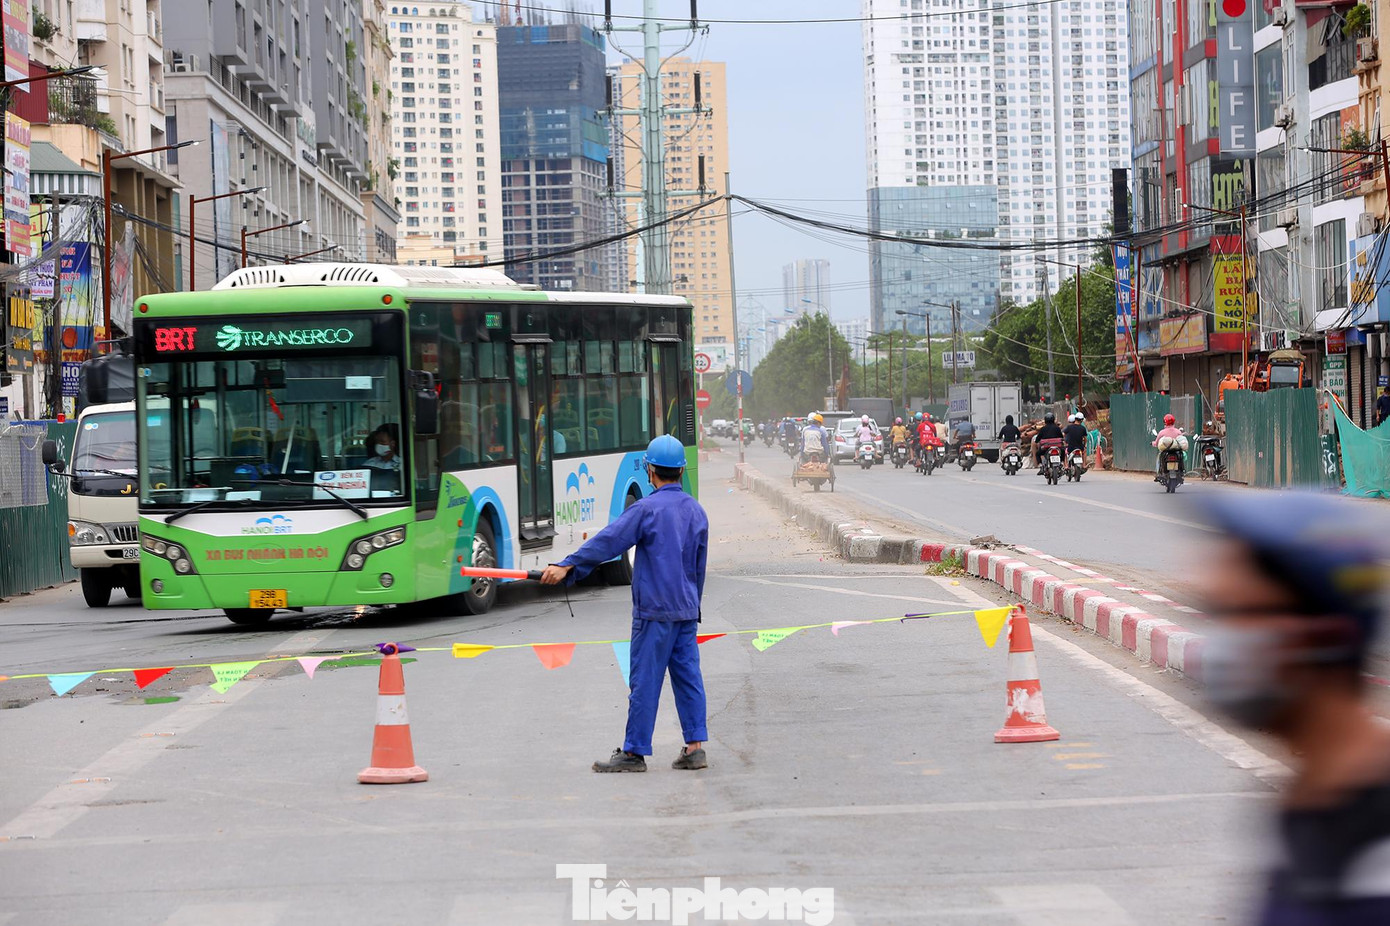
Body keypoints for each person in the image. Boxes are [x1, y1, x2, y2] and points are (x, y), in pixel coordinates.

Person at [1199, 493, 1390, 925]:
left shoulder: (1376, 846)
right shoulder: (1311, 806)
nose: (1219, 647)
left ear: (1321, 636)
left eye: (1241, 616)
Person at [541, 435, 710, 773]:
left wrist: (568, 565)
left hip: (654, 612)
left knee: (645, 680)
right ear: (679, 470)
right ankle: (694, 748)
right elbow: (699, 566)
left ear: (650, 470)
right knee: (689, 677)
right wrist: (693, 605)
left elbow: (610, 540)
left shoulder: (645, 510)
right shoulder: (696, 511)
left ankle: (634, 752)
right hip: (686, 610)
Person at [1152, 413, 1184, 477]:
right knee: (1181, 456)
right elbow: (1181, 441)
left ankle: (1158, 472)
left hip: (1166, 451)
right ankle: (1181, 470)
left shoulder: (1162, 432)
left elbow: (1156, 442)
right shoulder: (1178, 432)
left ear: (1165, 422)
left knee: (1159, 457)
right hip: (1176, 451)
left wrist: (1154, 443)